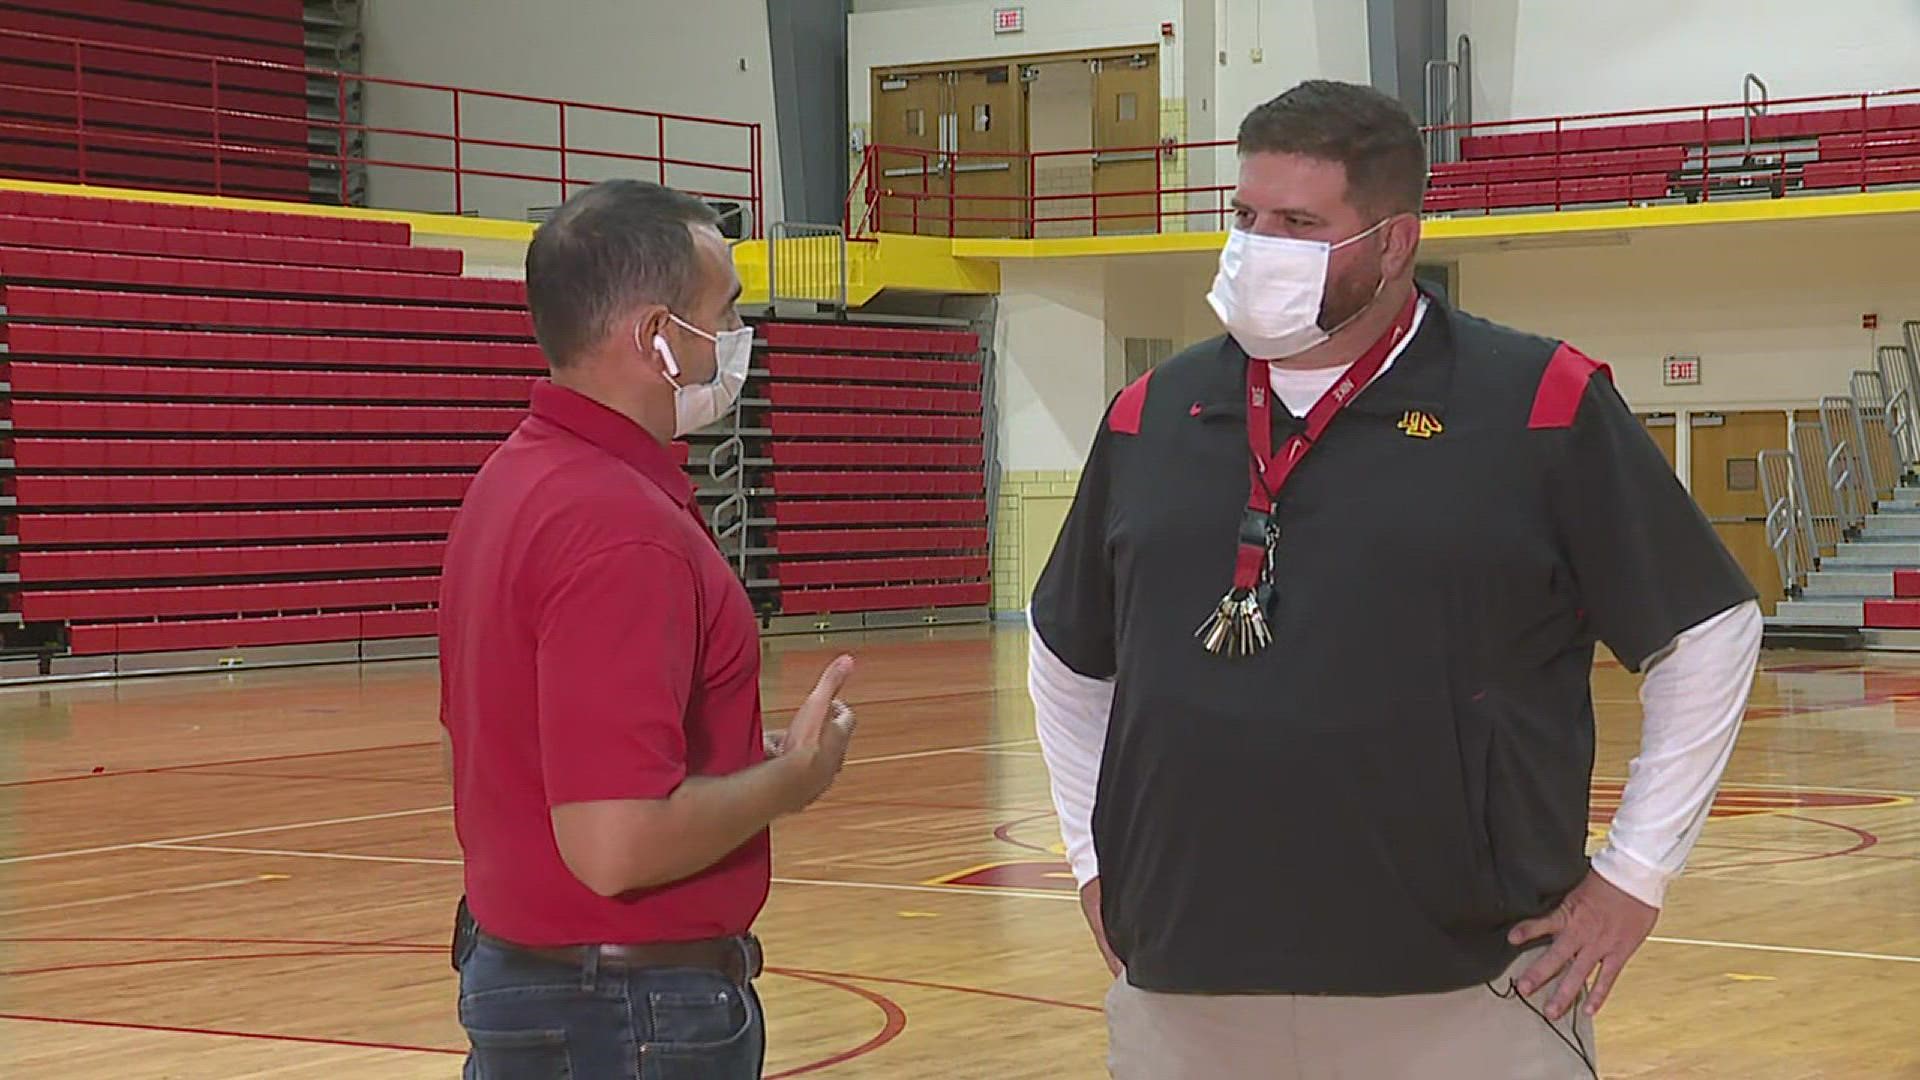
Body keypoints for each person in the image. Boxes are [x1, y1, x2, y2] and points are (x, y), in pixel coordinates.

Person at [1028, 80, 1763, 1079]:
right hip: (1185, 996)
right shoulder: (1147, 415)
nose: (1256, 248)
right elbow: (1068, 654)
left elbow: (1709, 627)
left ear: (1393, 243)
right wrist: (1092, 861)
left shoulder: (1537, 403)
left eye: (1298, 223)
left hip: (1465, 1000)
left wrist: (1635, 875)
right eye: (1244, 217)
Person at [438, 179, 857, 1079]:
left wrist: (740, 764)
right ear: (658, 339)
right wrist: (791, 779)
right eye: (726, 312)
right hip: (623, 1012)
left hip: (545, 982)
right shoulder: (617, 526)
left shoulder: (515, 482)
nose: (739, 340)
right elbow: (615, 841)